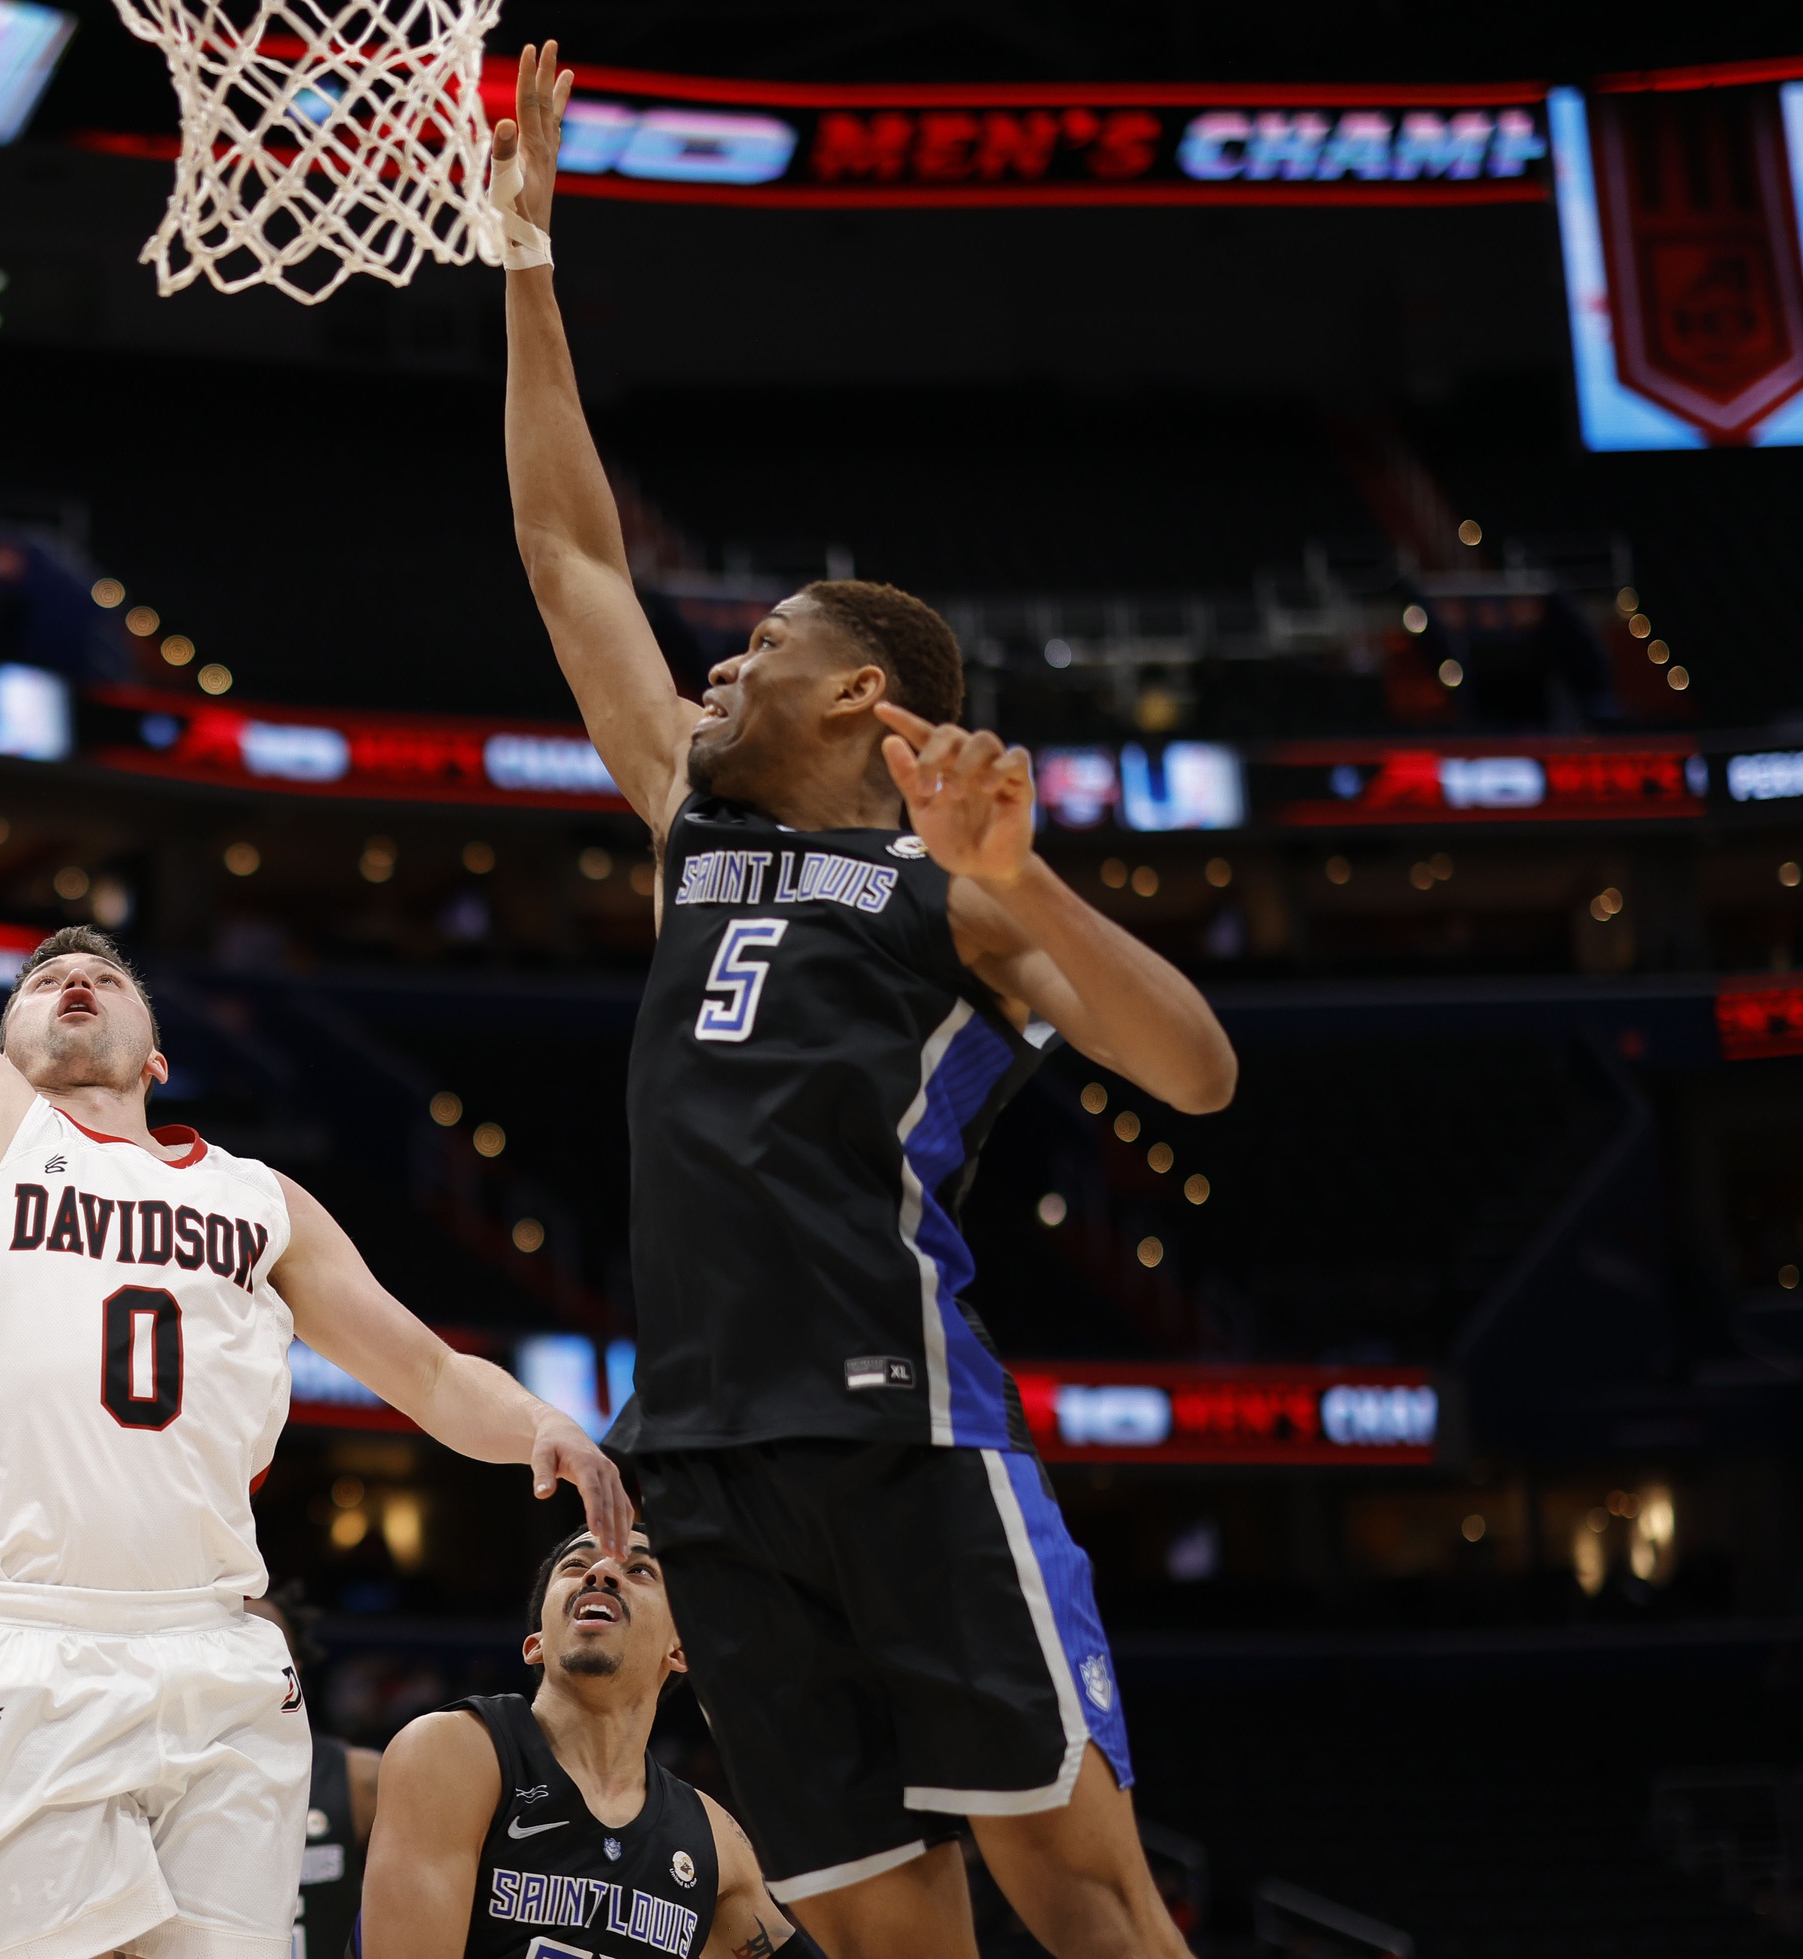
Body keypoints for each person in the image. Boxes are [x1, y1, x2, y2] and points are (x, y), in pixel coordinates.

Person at [493, 44, 1239, 1959]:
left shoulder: (952, 895)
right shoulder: (684, 817)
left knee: (1075, 1889)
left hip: (901, 1414)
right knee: (877, 1930)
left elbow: (1196, 1067)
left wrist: (1020, 877)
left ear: (861, 699)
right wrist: (523, 261)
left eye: (757, 649)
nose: (715, 670)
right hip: (705, 1456)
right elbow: (570, 555)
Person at [0, 493, 629, 1959]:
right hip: (25, 1638)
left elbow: (432, 1374)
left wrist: (542, 1431)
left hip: (224, 1651)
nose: (74, 979)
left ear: (156, 1047)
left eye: (104, 975)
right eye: (44, 976)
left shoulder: (259, 1202)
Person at [361, 1526, 802, 1959]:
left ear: (681, 1649)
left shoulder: (715, 1839)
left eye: (641, 1571)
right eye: (577, 1565)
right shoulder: (456, 1752)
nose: (603, 1572)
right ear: (535, 1643)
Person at [246, 1592, 374, 1959]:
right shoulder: (158, 1782)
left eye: (263, 1644)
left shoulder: (361, 1779)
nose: (245, 1660)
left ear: (293, 1670)